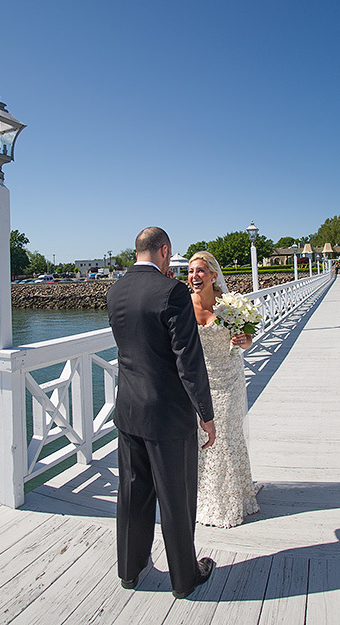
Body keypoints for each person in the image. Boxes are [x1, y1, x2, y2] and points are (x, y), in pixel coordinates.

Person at [106, 227, 216, 599]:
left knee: (133, 492)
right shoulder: (171, 292)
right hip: (168, 414)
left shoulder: (115, 291)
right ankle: (185, 578)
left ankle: (130, 570)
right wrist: (206, 411)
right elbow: (188, 360)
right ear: (164, 251)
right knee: (176, 497)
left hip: (128, 410)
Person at [187, 251, 260, 527]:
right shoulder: (184, 305)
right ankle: (205, 497)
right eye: (192, 271)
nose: (195, 276)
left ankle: (231, 501)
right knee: (202, 440)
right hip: (199, 383)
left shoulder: (229, 305)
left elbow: (247, 340)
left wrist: (244, 341)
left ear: (214, 275)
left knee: (226, 435)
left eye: (201, 270)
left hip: (228, 380)